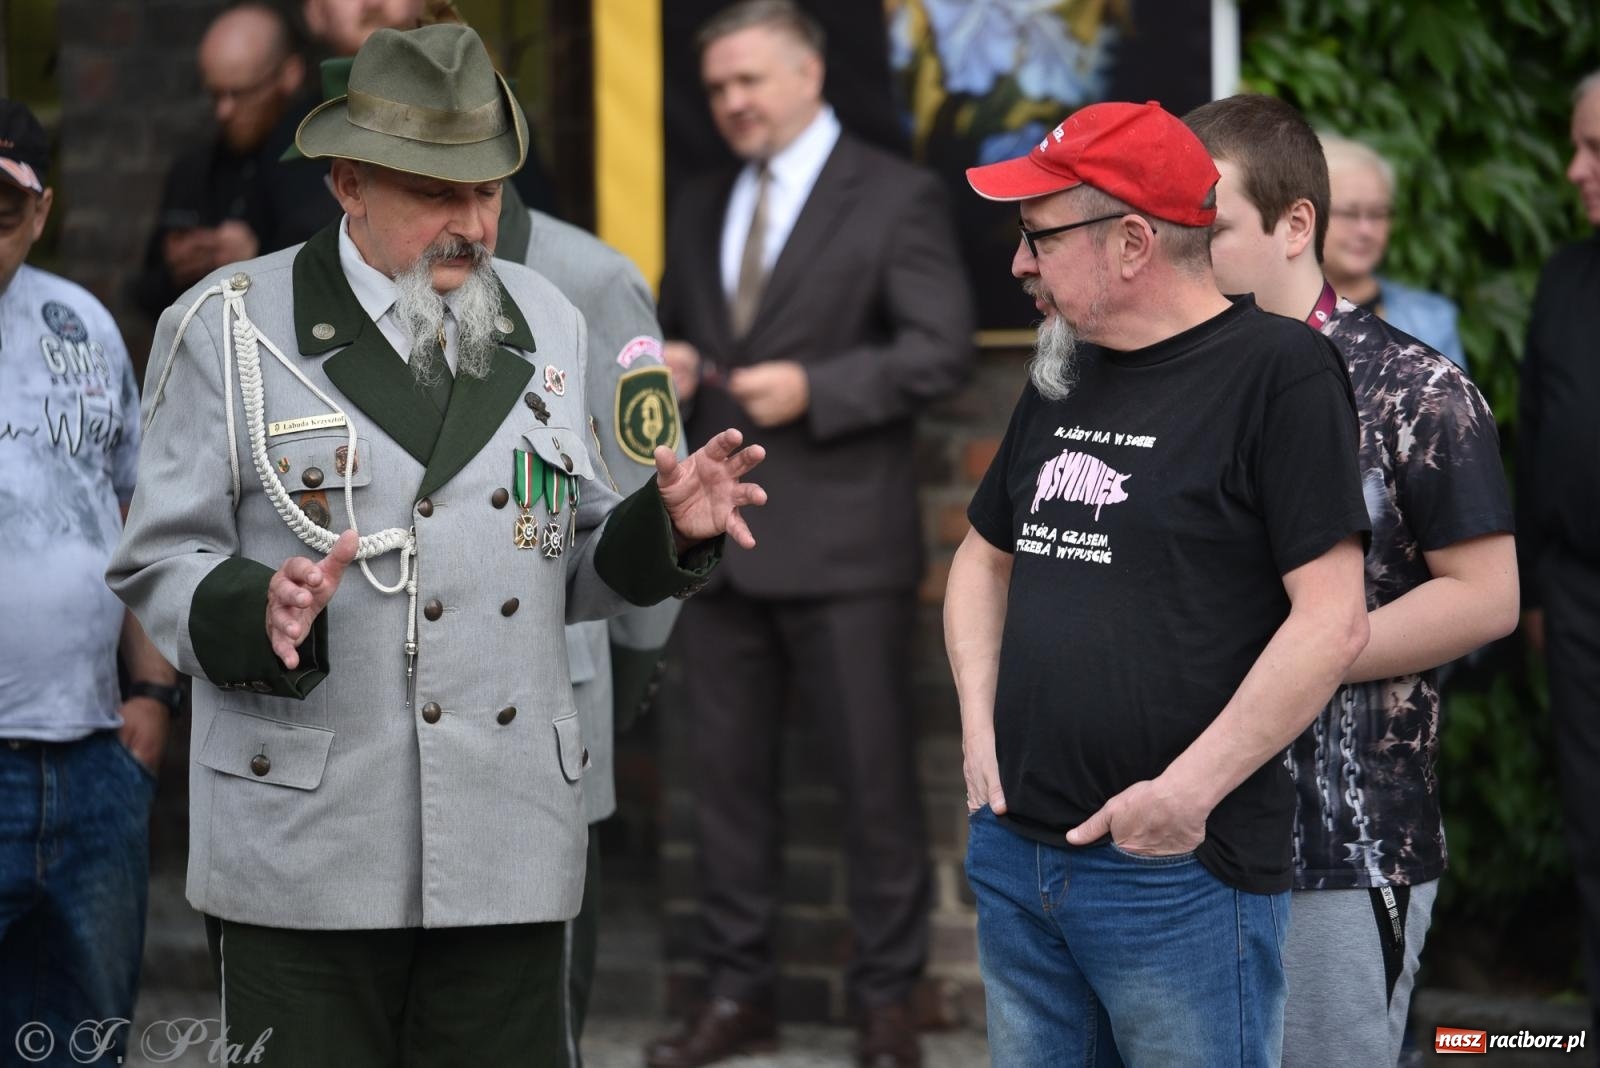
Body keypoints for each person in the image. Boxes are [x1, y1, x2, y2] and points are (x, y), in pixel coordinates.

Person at [107, 25, 765, 1067]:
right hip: (310, 838)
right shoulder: (227, 324)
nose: (469, 225)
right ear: (347, 183)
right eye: (434, 193)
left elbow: (572, 557)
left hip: (506, 831)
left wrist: (667, 531)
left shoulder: (546, 316)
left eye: (488, 192)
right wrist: (252, 606)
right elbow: (156, 561)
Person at [947, 100, 1373, 1067]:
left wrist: (1184, 797)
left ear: (1133, 241)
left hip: (1173, 873)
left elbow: (1331, 620)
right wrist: (979, 727)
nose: (1020, 263)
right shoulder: (1064, 369)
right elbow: (982, 556)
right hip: (1019, 857)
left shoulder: (1283, 374)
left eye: (1038, 235)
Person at [648, 3, 974, 1065]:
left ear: (807, 71)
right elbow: (690, 333)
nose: (732, 103)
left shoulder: (894, 194)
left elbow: (941, 350)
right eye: (717, 89)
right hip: (720, 554)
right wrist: (681, 367)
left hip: (841, 550)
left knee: (875, 788)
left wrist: (818, 388)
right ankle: (738, 996)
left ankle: (887, 1005)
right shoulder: (700, 200)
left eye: (748, 81)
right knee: (725, 795)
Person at [1185, 92, 1519, 1068]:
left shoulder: (1415, 387)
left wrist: (1310, 652)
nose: (1183, 250)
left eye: (1208, 228)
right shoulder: (1177, 378)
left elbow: (1487, 597)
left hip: (1335, 838)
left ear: (1296, 227)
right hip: (1171, 829)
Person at [0, 98, 181, 1065]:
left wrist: (151, 691)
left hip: (92, 758)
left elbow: (134, 517)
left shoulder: (83, 325)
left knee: (81, 1041)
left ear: (38, 212)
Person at [1519, 67, 1600, 1045]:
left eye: (1593, 150)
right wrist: (1536, 589)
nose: (1575, 169)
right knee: (1591, 818)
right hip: (1577, 596)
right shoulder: (1564, 276)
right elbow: (1535, 435)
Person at [131, 2, 334, 320]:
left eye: (240, 93)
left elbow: (334, 280)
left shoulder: (317, 163)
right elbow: (143, 295)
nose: (223, 111)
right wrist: (177, 269)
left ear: (289, 75)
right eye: (215, 94)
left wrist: (256, 258)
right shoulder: (193, 170)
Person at [1318, 133, 1467, 370]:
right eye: (1348, 213)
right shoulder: (1267, 315)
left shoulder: (1430, 321)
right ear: (1305, 216)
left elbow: (1453, 406)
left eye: (1378, 214)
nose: (1365, 230)